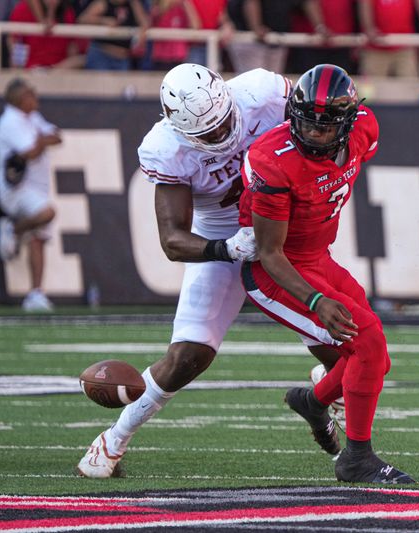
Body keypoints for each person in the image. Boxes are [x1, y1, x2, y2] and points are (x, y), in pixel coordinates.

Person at [76, 63, 339, 478]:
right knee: (188, 355)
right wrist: (225, 247)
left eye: (223, 125)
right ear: (177, 128)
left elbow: (319, 121)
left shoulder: (262, 93)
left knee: (342, 343)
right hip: (221, 233)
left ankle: (322, 394)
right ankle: (112, 441)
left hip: (284, 224)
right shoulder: (166, 148)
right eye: (207, 134)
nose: (220, 137)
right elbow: (173, 240)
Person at [236, 64, 414, 484]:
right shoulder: (272, 160)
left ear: (349, 121)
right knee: (368, 342)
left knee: (376, 360)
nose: (315, 133)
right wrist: (316, 300)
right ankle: (357, 459)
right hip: (274, 272)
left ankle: (314, 402)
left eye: (326, 125)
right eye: (307, 122)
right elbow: (269, 252)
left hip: (318, 256)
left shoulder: (363, 131)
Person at [0, 78, 62, 312]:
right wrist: (42, 141)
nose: (36, 98)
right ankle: (12, 229)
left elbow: (56, 136)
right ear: (21, 98)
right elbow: (30, 152)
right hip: (16, 190)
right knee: (48, 212)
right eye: (32, 94)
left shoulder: (32, 118)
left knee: (39, 238)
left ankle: (35, 294)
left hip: (37, 187)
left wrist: (42, 141)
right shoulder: (9, 122)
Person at [357, 0, 419, 78]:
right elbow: (364, 4)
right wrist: (369, 28)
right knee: (372, 88)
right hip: (375, 48)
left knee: (408, 86)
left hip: (404, 47)